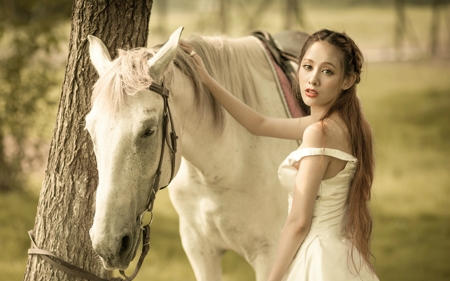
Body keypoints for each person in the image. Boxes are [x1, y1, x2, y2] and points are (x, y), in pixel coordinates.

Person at [180, 29, 379, 281]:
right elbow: (259, 124)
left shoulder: (319, 133)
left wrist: (273, 278)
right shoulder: (346, 126)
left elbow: (298, 222)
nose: (313, 79)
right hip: (339, 255)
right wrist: (207, 80)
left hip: (317, 260)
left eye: (327, 71)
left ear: (347, 80)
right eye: (307, 66)